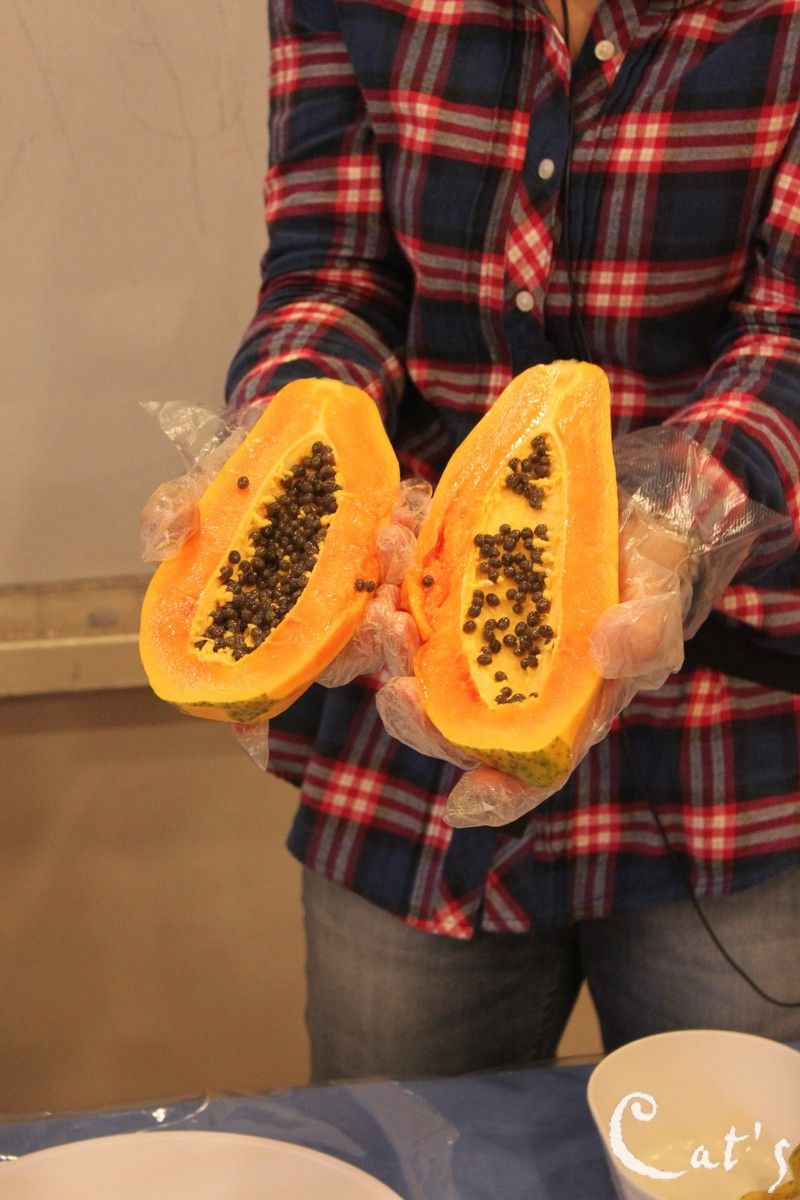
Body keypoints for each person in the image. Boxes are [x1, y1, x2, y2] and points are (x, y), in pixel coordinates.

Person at [163, 0, 800, 1080]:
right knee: (398, 1150)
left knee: (729, 1153)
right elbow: (334, 277)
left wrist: (677, 526)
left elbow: (787, 331)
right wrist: (274, 457)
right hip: (408, 704)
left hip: (726, 735)